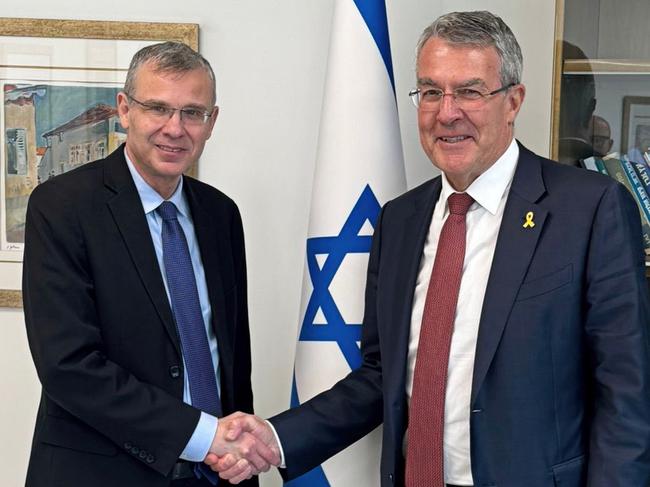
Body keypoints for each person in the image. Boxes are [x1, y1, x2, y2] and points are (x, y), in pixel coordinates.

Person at [207, 10, 650, 487]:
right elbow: (382, 376)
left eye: (470, 91)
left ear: (513, 101)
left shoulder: (589, 208)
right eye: (432, 91)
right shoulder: (399, 219)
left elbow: (626, 393)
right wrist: (276, 437)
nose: (446, 112)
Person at [22, 41, 278, 487]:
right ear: (124, 110)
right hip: (100, 474)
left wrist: (235, 451)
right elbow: (69, 366)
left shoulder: (221, 215)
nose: (174, 129)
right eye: (157, 107)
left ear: (211, 121)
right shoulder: (62, 207)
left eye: (193, 112)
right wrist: (203, 435)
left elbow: (231, 361)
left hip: (216, 474)